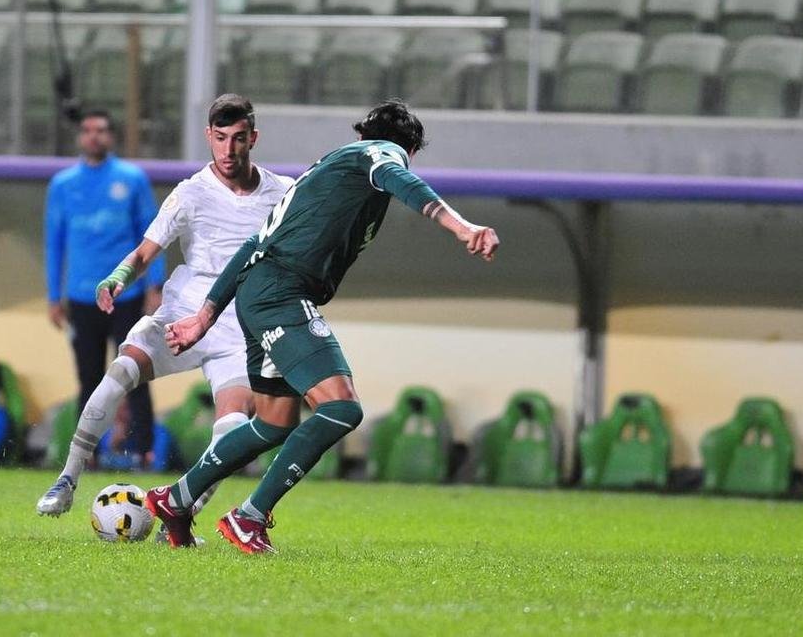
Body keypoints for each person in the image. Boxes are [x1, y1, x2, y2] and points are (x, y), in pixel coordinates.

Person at [146, 100, 500, 553]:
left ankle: (176, 500)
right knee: (342, 407)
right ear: (405, 147)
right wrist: (462, 226)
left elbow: (257, 241)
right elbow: (401, 178)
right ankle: (249, 517)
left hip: (262, 292)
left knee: (273, 423)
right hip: (282, 294)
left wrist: (205, 315)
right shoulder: (376, 154)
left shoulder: (325, 176)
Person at [36, 94, 292, 519]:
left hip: (239, 327)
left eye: (240, 139)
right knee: (117, 373)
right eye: (221, 138)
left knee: (231, 425)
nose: (229, 150)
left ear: (254, 138)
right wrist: (117, 278)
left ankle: (182, 510)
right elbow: (144, 251)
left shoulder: (282, 193)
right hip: (183, 313)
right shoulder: (190, 193)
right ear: (209, 136)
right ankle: (67, 478)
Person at [44, 110, 164, 467]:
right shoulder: (63, 184)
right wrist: (53, 295)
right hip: (82, 296)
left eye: (100, 130)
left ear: (111, 137)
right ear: (81, 137)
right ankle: (89, 453)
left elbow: (153, 233)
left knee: (136, 370)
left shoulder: (132, 179)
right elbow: (54, 241)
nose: (93, 136)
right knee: (89, 377)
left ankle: (144, 450)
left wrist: (154, 285)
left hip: (126, 294)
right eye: (87, 130)